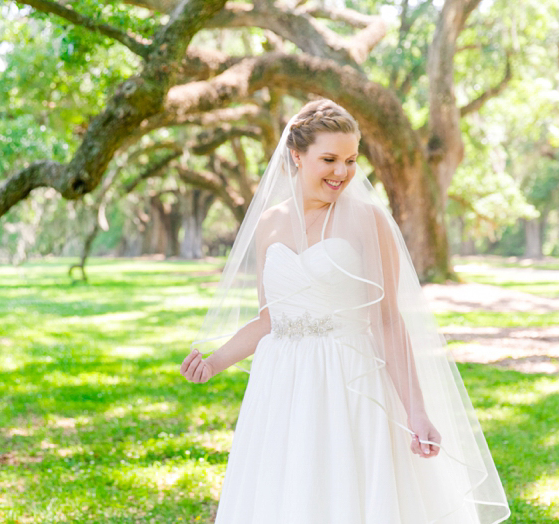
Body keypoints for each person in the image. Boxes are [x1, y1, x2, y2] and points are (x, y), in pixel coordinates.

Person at [180, 99, 510, 524]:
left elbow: (388, 320)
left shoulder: (368, 221)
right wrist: (214, 363)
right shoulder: (270, 224)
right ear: (297, 156)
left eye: (351, 160)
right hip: (282, 384)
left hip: (348, 381)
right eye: (330, 159)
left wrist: (417, 411)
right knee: (288, 493)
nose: (342, 172)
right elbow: (269, 318)